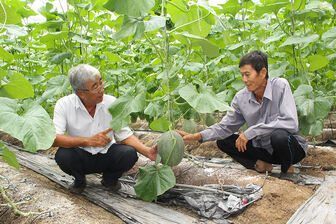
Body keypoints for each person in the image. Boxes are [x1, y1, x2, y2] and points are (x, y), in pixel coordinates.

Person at [178, 50, 307, 174]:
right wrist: (197, 136)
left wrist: (252, 131)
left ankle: (287, 167)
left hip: (288, 150)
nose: (244, 79)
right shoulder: (241, 98)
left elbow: (291, 123)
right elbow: (224, 127)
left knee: (279, 136)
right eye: (242, 75)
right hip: (263, 150)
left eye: (247, 74)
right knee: (224, 140)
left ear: (262, 72)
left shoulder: (280, 86)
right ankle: (261, 164)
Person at [53, 64, 157, 194]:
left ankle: (109, 179)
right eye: (95, 87)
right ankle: (80, 180)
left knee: (129, 153)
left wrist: (147, 151)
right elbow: (55, 138)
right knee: (63, 155)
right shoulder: (64, 105)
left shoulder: (111, 103)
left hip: (106, 154)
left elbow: (125, 135)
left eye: (101, 83)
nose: (101, 89)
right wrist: (87, 141)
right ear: (81, 93)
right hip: (80, 156)